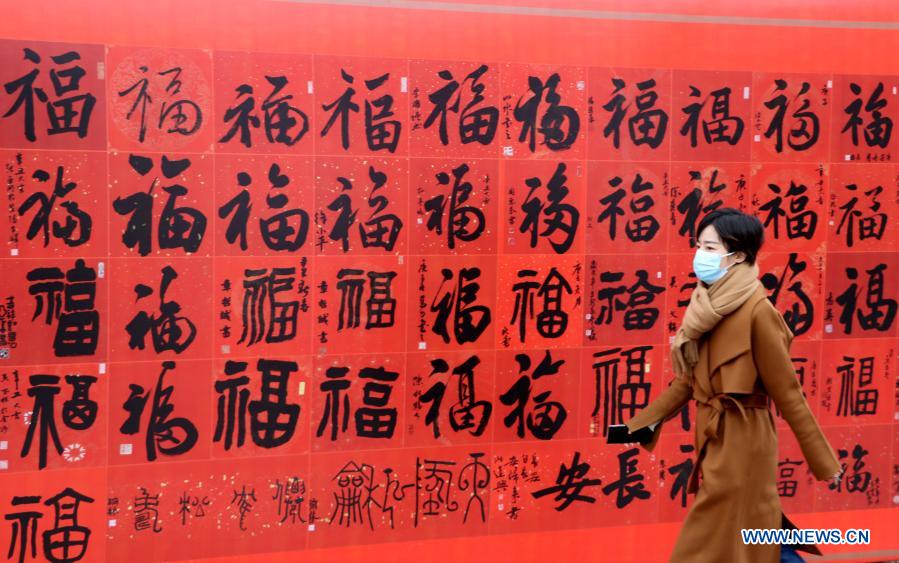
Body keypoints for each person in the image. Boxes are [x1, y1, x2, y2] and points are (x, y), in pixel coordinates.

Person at [623, 208, 843, 563]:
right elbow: (687, 383)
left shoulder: (757, 310)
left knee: (715, 536)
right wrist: (632, 429)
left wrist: (825, 463)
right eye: (699, 246)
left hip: (745, 441)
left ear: (738, 255)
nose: (700, 255)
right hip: (714, 439)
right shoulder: (706, 305)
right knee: (749, 533)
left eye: (709, 248)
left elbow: (788, 392)